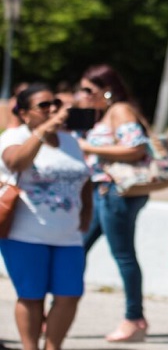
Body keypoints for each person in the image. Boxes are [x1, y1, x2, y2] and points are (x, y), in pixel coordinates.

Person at [0, 83, 92, 350]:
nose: (52, 109)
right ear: (25, 113)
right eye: (43, 106)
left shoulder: (70, 141)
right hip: (24, 234)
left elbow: (83, 177)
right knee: (31, 297)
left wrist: (87, 212)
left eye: (55, 104)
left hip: (67, 235)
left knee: (70, 295)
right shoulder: (11, 137)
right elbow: (16, 163)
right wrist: (42, 132)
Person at [77, 64, 151, 342]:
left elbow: (136, 148)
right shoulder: (106, 113)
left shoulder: (120, 111)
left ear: (106, 91)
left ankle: (135, 318)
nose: (81, 95)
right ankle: (59, 306)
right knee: (79, 248)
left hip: (117, 193)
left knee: (123, 256)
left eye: (88, 90)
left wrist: (89, 147)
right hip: (103, 192)